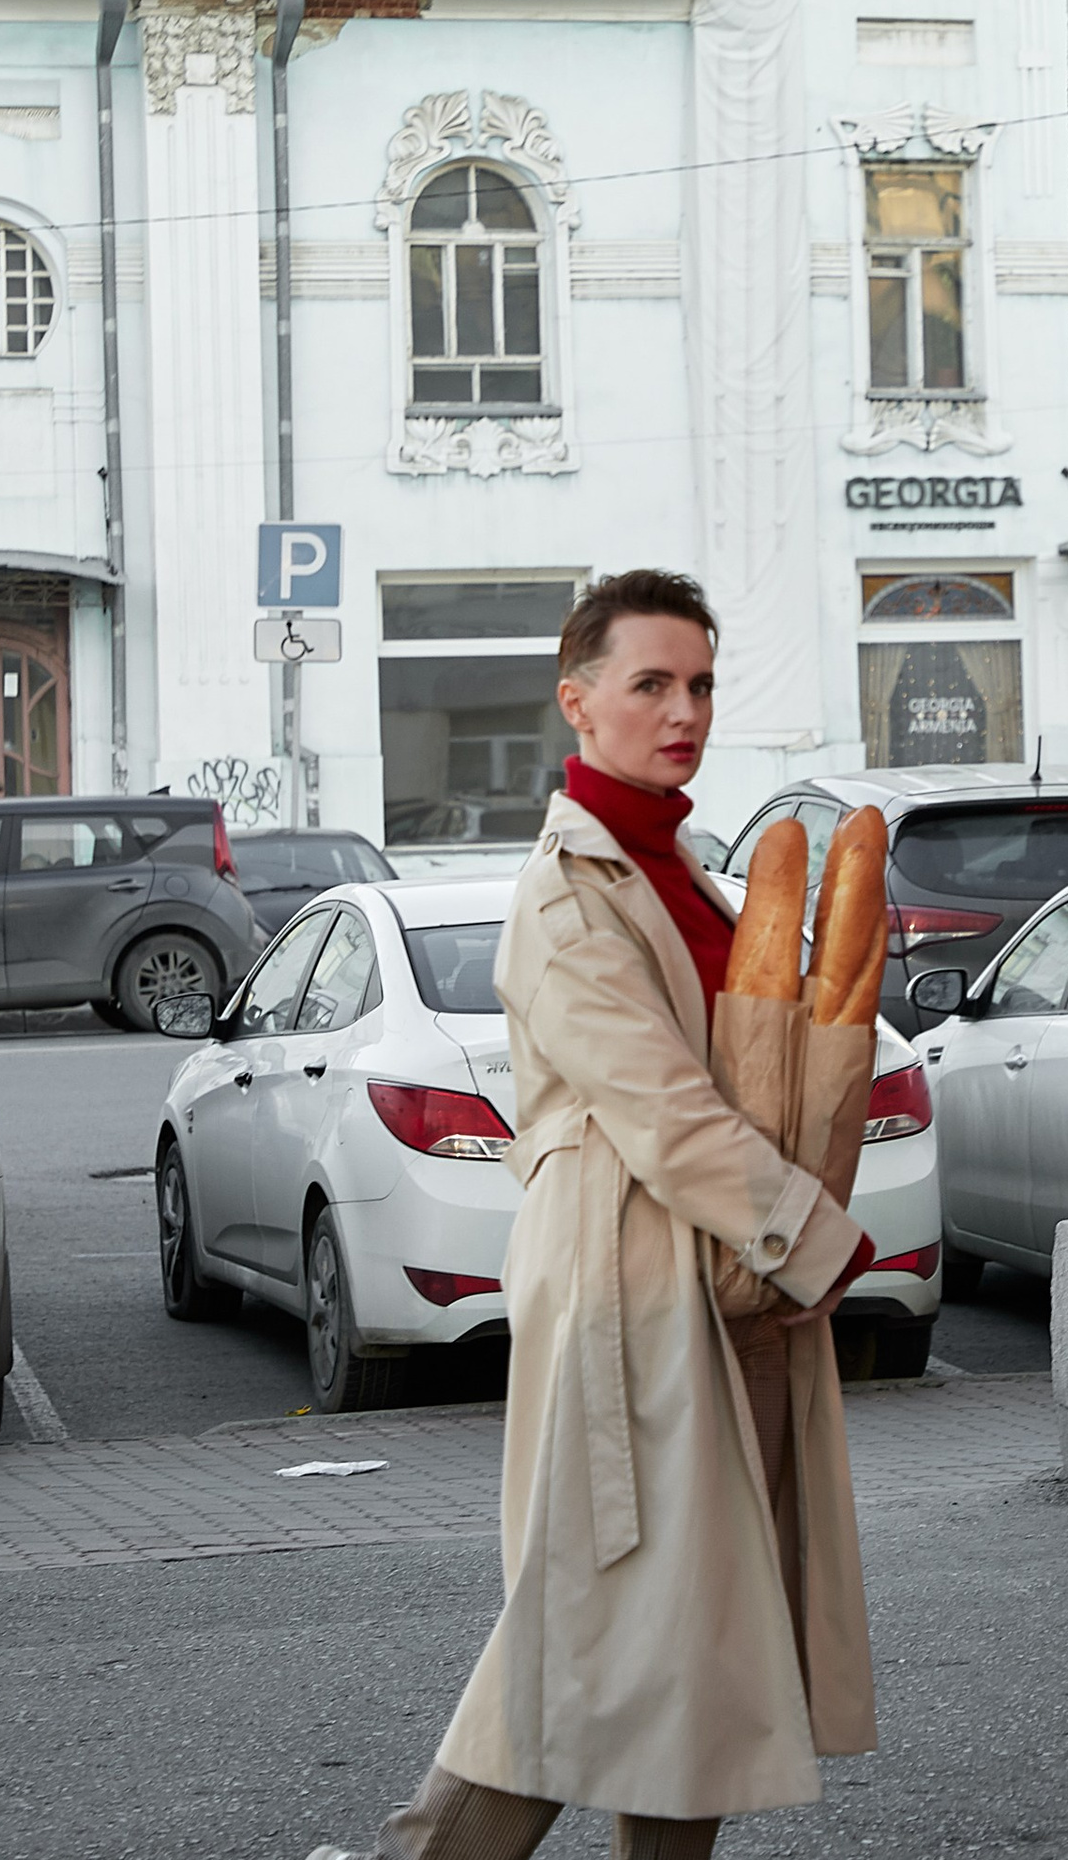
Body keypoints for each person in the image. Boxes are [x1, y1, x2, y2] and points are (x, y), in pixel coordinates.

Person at [309, 567, 876, 1860]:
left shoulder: (677, 866)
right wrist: (810, 1237)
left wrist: (781, 1238)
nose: (685, 711)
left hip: (711, 1273)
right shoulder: (567, 897)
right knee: (591, 1636)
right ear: (578, 702)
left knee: (691, 1647)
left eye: (702, 684)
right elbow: (665, 1106)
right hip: (629, 1284)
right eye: (652, 684)